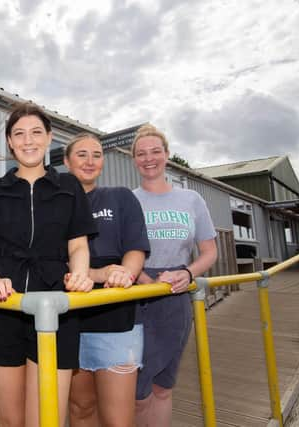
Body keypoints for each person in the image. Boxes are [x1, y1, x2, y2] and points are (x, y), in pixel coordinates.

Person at [0, 103, 98, 427]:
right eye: (19, 133)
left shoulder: (69, 187)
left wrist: (79, 273)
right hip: (3, 306)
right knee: (11, 421)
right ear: (10, 142)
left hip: (56, 306)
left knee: (46, 420)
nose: (28, 140)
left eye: (36, 132)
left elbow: (78, 245)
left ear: (49, 138)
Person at [131, 124, 218, 426]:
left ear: (167, 155)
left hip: (177, 296)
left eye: (156, 151)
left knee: (163, 386)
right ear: (134, 160)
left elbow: (209, 252)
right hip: (138, 296)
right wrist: (146, 282)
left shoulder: (191, 200)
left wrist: (187, 273)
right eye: (141, 153)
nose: (149, 158)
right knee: (138, 392)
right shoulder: (128, 200)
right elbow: (120, 253)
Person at [64, 133, 150, 427]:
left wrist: (125, 273)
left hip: (117, 317)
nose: (90, 161)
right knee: (80, 408)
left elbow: (136, 249)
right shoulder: (54, 207)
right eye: (82, 154)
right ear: (66, 161)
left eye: (97, 155)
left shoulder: (120, 197)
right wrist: (98, 274)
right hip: (70, 319)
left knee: (118, 419)